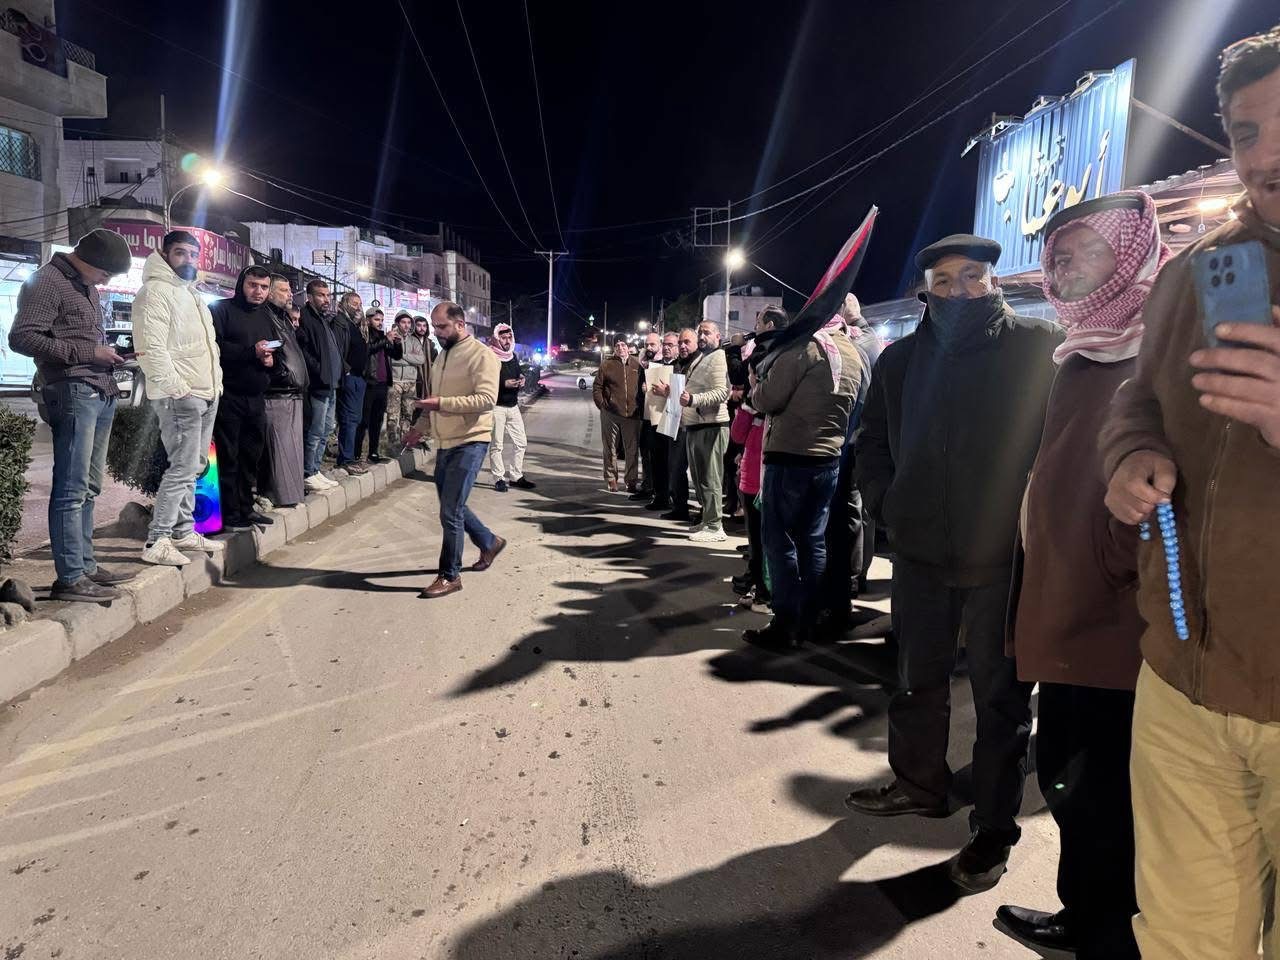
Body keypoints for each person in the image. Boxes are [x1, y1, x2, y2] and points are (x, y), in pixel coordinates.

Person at [1100, 29, 1280, 958]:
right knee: (1181, 942)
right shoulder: (1195, 272)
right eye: (1247, 134)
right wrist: (1131, 455)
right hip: (1182, 684)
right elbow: (1138, 399)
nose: (1267, 158)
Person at [849, 234, 1061, 894]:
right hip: (920, 555)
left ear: (994, 281)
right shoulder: (902, 359)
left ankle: (993, 830)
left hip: (1004, 561)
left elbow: (1063, 442)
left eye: (972, 276)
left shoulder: (1037, 347)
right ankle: (918, 784)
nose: (959, 289)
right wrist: (887, 503)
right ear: (926, 291)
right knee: (916, 682)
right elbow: (871, 441)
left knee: (1001, 702)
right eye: (944, 280)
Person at [992, 191, 1168, 959]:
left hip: (1121, 619)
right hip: (1067, 602)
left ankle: (1112, 935)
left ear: (1129, 252)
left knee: (1111, 792)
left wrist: (1113, 561)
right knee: (1069, 773)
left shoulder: (1156, 343)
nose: (1064, 267)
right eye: (1057, 254)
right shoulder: (1083, 346)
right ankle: (1085, 913)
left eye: (1084, 250)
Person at [8, 229, 136, 602]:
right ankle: (70, 578)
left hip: (99, 388)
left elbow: (80, 336)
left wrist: (105, 354)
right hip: (72, 390)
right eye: (105, 273)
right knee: (71, 488)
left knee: (90, 486)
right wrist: (88, 354)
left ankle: (85, 565)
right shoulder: (47, 282)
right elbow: (22, 338)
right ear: (87, 260)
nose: (106, 281)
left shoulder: (85, 284)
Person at [744, 307, 865, 647]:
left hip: (791, 457)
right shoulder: (851, 351)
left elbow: (768, 398)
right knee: (813, 540)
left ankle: (785, 624)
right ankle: (810, 616)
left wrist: (755, 385)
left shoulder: (806, 347)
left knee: (780, 541)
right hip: (829, 459)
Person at [131, 231, 225, 566]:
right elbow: (150, 348)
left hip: (205, 392)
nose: (189, 260)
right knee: (182, 467)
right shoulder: (155, 292)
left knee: (194, 466)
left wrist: (215, 386)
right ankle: (157, 539)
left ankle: (183, 531)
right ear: (165, 254)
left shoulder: (191, 293)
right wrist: (178, 387)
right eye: (181, 253)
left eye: (193, 254)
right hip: (181, 396)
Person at [415, 301, 504, 599]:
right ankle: (489, 542)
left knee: (450, 511)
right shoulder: (443, 355)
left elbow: (486, 400)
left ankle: (450, 575)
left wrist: (441, 404)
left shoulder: (482, 355)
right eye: (434, 326)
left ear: (460, 324)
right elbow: (434, 397)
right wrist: (420, 426)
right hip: (446, 441)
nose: (436, 332)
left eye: (442, 326)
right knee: (453, 505)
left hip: (471, 440)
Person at [817, 294, 885, 633]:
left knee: (848, 513)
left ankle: (850, 580)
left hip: (854, 438)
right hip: (861, 437)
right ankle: (852, 578)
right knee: (854, 511)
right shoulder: (869, 339)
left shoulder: (859, 342)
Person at [209, 265, 277, 532]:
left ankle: (246, 507)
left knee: (251, 456)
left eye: (264, 287)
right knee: (229, 456)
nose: (258, 291)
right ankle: (230, 514)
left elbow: (272, 347)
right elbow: (215, 348)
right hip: (229, 396)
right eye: (253, 285)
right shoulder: (221, 310)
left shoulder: (266, 316)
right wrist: (251, 353)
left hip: (256, 397)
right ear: (241, 285)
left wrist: (271, 360)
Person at [259, 274, 308, 508]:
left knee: (291, 449)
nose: (289, 295)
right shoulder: (265, 317)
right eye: (284, 290)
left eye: (290, 290)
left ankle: (290, 494)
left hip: (291, 392)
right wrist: (283, 374)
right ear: (270, 292)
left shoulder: (283, 318)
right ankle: (278, 495)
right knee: (280, 449)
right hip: (278, 392)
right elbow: (269, 352)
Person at [679, 321, 730, 541]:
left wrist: (693, 399)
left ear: (718, 336)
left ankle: (715, 526)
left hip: (711, 426)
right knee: (700, 478)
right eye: (700, 332)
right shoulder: (702, 357)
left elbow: (721, 393)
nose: (701, 336)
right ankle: (707, 520)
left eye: (706, 332)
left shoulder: (718, 357)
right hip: (696, 425)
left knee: (711, 478)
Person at [297, 279, 342, 493]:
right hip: (318, 385)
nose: (326, 299)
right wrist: (321, 371)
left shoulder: (323, 319)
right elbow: (304, 351)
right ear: (310, 297)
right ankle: (307, 473)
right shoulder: (305, 318)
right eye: (321, 295)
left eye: (328, 295)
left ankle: (315, 469)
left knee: (326, 430)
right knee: (314, 431)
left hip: (331, 384)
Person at [592, 336, 644, 492]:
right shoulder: (607, 365)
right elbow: (597, 387)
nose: (621, 348)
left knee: (632, 449)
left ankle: (631, 480)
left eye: (623, 345)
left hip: (632, 414)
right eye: (617, 345)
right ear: (614, 348)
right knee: (610, 448)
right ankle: (611, 479)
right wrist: (602, 405)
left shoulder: (637, 364)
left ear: (628, 347)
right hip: (610, 413)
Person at [654, 329, 695, 520]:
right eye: (680, 343)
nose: (682, 346)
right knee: (675, 466)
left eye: (686, 342)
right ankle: (679, 506)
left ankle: (689, 509)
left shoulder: (696, 364)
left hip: (689, 422)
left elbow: (687, 393)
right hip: (674, 421)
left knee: (684, 467)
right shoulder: (676, 365)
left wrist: (668, 392)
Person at [488, 323, 534, 492]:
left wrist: (521, 378)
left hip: (513, 405)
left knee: (521, 442)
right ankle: (499, 478)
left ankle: (516, 476)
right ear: (496, 338)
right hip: (497, 407)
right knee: (497, 445)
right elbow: (484, 379)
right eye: (503, 338)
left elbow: (517, 372)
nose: (507, 341)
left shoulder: (512, 355)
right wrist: (503, 383)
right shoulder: (490, 356)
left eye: (509, 337)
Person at [354, 307, 401, 464]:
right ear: (368, 320)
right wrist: (385, 339)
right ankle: (356, 453)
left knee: (377, 420)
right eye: (376, 319)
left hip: (383, 383)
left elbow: (396, 355)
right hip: (369, 382)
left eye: (381, 320)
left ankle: (373, 452)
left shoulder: (382, 336)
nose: (380, 323)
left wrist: (397, 343)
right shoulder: (365, 334)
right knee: (364, 420)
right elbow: (368, 349)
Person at [333, 291, 368, 476]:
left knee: (355, 419)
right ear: (345, 304)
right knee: (349, 419)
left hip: (358, 377)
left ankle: (349, 457)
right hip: (349, 377)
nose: (358, 307)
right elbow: (337, 350)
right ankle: (345, 460)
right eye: (354, 304)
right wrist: (345, 370)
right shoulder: (340, 323)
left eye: (360, 304)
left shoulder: (353, 325)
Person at [642, 332, 678, 512]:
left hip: (674, 419)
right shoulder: (656, 365)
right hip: (655, 418)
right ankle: (660, 496)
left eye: (671, 345)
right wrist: (646, 388)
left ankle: (673, 498)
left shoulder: (680, 366)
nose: (666, 348)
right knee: (656, 459)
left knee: (672, 462)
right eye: (665, 344)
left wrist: (668, 392)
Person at [632, 331, 663, 502]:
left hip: (657, 416)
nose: (649, 348)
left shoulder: (661, 363)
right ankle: (648, 486)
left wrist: (648, 390)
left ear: (659, 345)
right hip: (645, 414)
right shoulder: (643, 363)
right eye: (646, 345)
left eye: (652, 344)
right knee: (645, 452)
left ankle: (655, 489)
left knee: (655, 455)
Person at [387, 311, 423, 451]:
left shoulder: (414, 341)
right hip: (395, 381)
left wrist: (402, 355)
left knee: (408, 414)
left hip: (410, 382)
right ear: (397, 323)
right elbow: (391, 359)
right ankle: (392, 443)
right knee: (393, 415)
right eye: (403, 322)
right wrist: (408, 358)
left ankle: (404, 442)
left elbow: (420, 359)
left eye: (408, 322)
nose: (406, 325)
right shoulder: (392, 338)